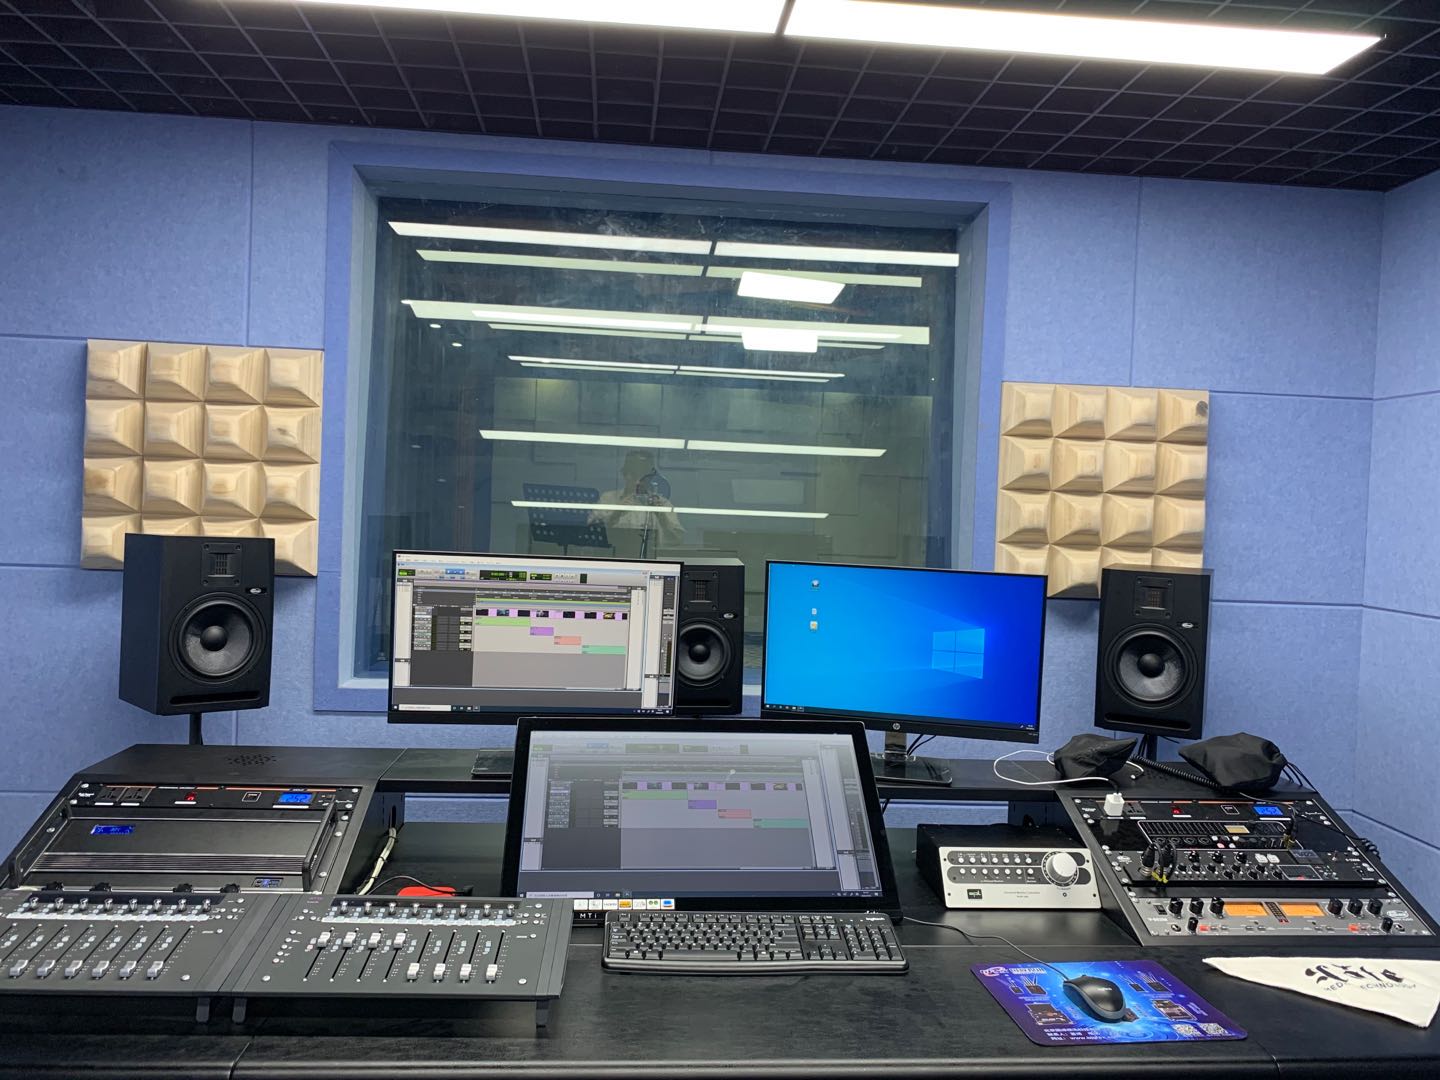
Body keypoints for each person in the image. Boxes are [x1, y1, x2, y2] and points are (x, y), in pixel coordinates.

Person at [592, 450, 685, 557]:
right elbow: (591, 532)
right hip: (612, 559)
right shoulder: (608, 499)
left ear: (650, 478)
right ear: (624, 474)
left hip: (650, 560)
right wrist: (615, 514)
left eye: (640, 476)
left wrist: (662, 517)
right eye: (631, 474)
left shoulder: (663, 504)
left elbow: (677, 540)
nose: (636, 481)